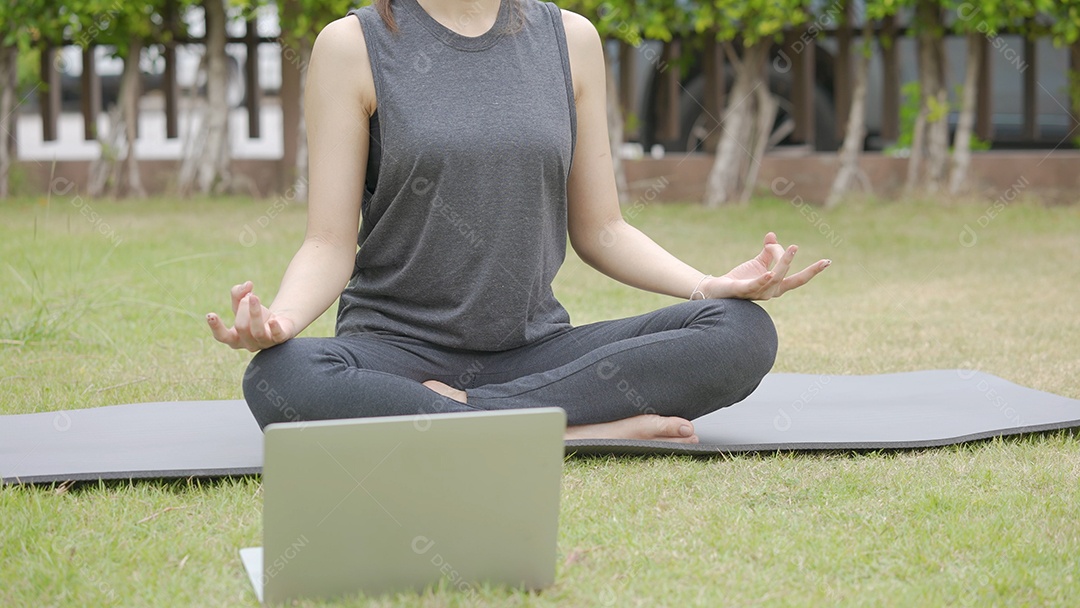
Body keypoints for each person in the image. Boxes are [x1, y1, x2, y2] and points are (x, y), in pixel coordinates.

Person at [207, 0, 829, 444]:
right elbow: (328, 242)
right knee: (280, 377)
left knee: (741, 331)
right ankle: (574, 430)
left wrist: (707, 285)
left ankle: (478, 417)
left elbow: (603, 229)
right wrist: (284, 319)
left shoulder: (570, 39)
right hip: (393, 356)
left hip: (539, 352)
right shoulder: (352, 46)